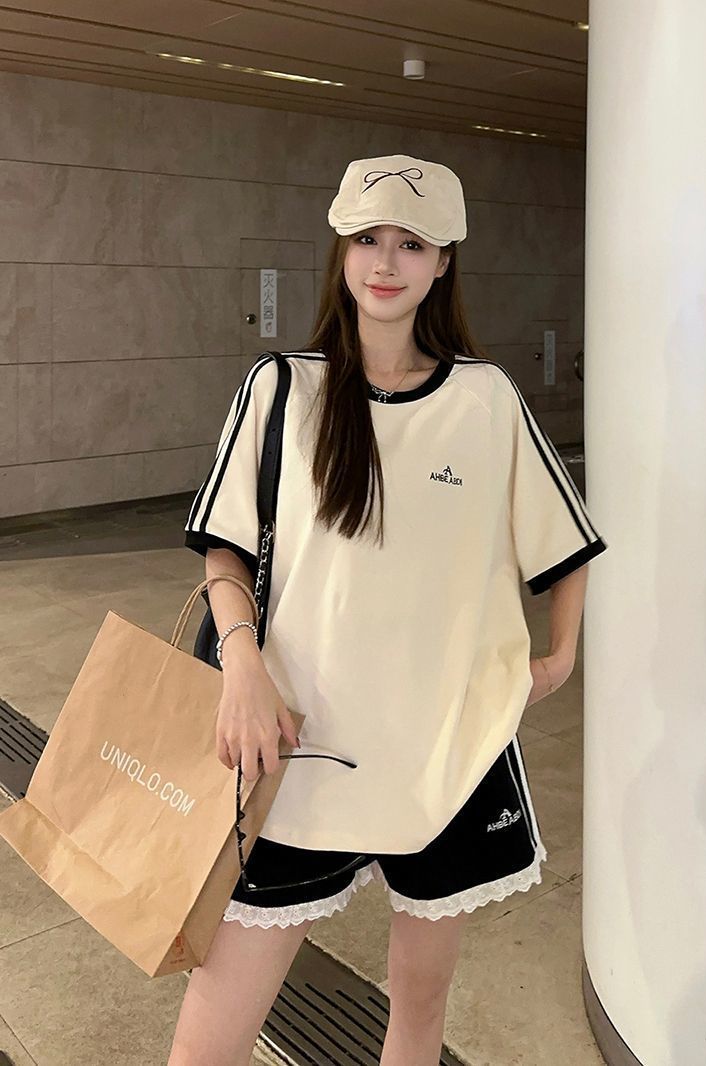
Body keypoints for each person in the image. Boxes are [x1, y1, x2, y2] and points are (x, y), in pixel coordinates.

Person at [169, 153, 608, 1066]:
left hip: (446, 753)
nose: (385, 262)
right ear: (341, 249)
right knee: (215, 1028)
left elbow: (564, 541)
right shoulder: (282, 388)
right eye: (368, 238)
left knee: (421, 1003)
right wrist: (241, 663)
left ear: (443, 262)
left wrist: (559, 657)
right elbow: (227, 548)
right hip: (294, 748)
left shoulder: (485, 400)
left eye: (412, 244)